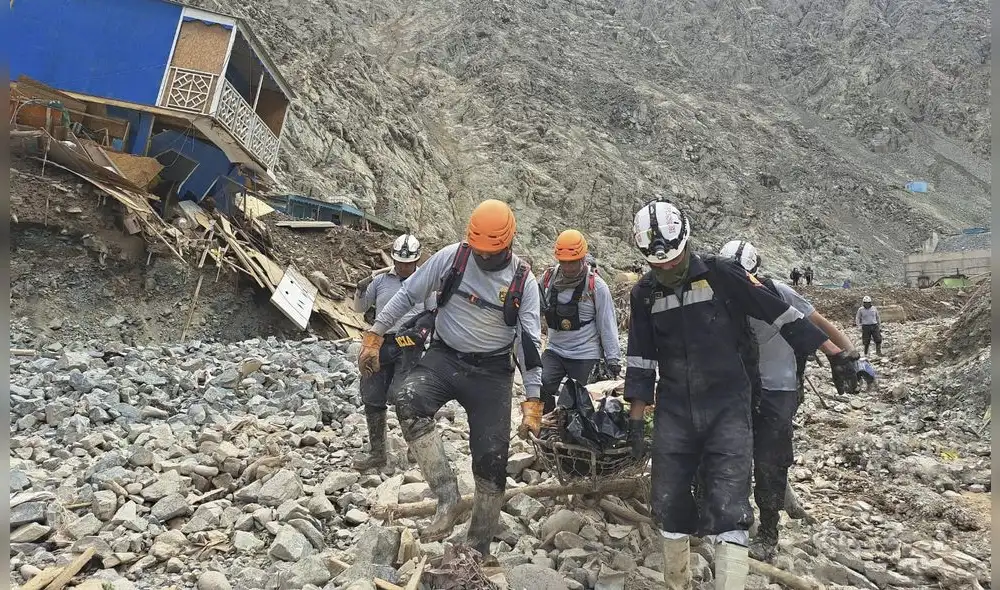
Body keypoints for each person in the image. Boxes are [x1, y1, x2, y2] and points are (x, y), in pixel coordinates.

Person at [623, 199, 857, 590]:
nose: (664, 270)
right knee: (670, 503)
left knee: (731, 504)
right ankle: (676, 582)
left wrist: (835, 353)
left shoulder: (722, 275)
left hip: (728, 405)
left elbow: (780, 313)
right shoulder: (644, 293)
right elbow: (642, 359)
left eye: (671, 263)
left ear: (686, 244)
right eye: (656, 265)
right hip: (675, 411)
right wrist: (635, 419)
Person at [358, 199, 543, 560]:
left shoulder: (524, 282)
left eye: (491, 253)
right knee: (408, 400)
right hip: (444, 357)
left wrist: (533, 400)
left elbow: (529, 344)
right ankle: (446, 495)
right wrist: (375, 333)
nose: (483, 259)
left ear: (508, 244)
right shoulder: (451, 258)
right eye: (478, 251)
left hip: (491, 374)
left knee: (492, 461)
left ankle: (477, 546)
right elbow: (408, 294)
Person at [719, 240, 858, 562]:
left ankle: (768, 531)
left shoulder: (777, 291)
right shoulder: (717, 295)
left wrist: (848, 355)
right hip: (736, 386)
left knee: (769, 458)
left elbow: (817, 323)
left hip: (778, 388)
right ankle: (737, 517)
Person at [351, 234, 434, 470]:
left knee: (403, 396)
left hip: (410, 345)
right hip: (382, 342)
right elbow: (359, 308)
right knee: (371, 394)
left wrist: (424, 332)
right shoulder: (380, 281)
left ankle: (414, 448)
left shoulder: (425, 284)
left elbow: (434, 314)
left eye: (408, 263)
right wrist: (360, 289)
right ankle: (378, 453)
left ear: (417, 261)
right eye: (399, 262)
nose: (403, 267)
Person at [537, 230, 621, 413]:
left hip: (585, 353)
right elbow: (531, 311)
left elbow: (607, 324)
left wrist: (613, 360)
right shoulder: (546, 281)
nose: (567, 267)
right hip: (555, 350)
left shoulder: (596, 287)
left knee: (585, 399)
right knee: (539, 384)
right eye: (563, 262)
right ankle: (546, 424)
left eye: (572, 262)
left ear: (583, 258)